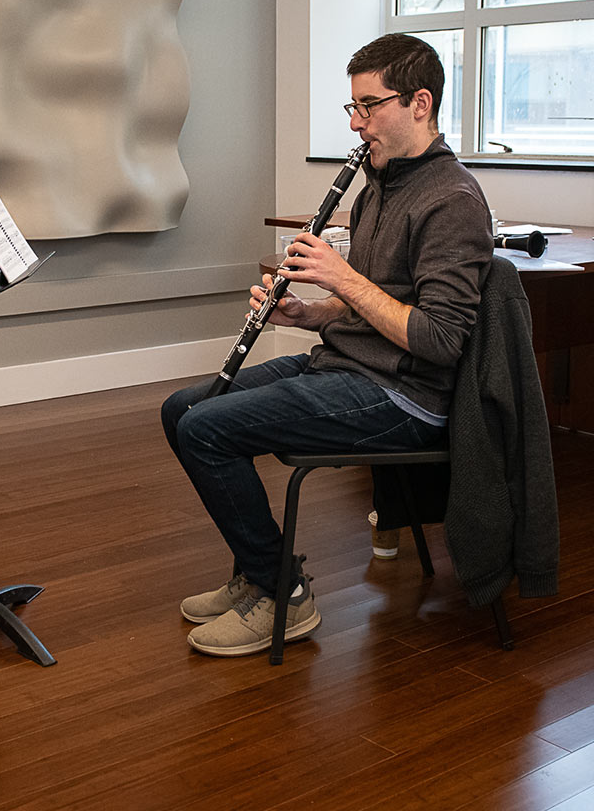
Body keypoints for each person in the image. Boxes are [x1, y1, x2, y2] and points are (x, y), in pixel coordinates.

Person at [161, 33, 493, 657]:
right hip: (342, 365)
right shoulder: (379, 184)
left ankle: (280, 591)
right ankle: (255, 571)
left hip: (403, 395)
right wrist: (305, 311)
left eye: (370, 106)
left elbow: (441, 338)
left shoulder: (451, 200)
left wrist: (341, 276)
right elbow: (374, 299)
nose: (357, 122)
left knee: (208, 430)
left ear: (420, 103)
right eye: (353, 108)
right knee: (181, 409)